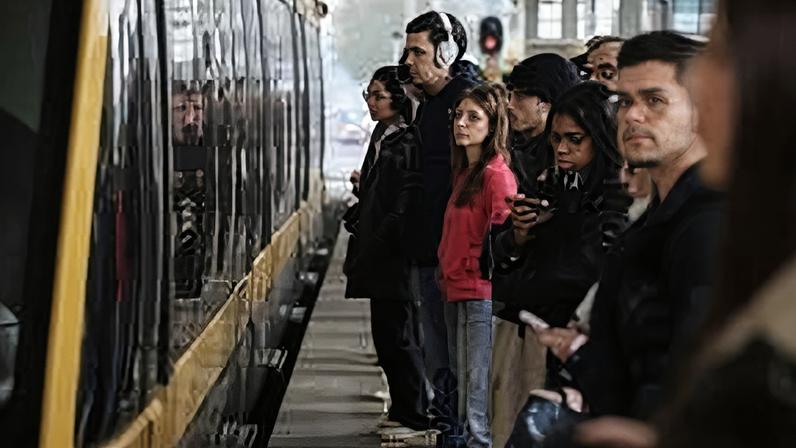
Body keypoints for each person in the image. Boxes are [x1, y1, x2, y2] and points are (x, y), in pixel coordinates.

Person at [532, 30, 724, 424]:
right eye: (624, 101)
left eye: (654, 100)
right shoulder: (657, 217)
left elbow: (705, 384)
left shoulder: (710, 224)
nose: (632, 115)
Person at [494, 81, 625, 364]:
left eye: (574, 139)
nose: (562, 149)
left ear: (600, 137)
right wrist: (519, 234)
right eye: (555, 139)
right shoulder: (550, 183)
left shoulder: (619, 193)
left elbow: (598, 267)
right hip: (535, 333)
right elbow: (499, 258)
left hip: (586, 340)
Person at [490, 53, 581, 447]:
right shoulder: (520, 155)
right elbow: (500, 240)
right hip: (520, 308)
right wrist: (518, 236)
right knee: (506, 408)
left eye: (517, 96)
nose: (509, 105)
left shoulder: (576, 171)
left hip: (551, 323)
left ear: (544, 102)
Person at [401, 10, 479, 443]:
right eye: (407, 50)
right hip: (426, 249)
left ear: (446, 52)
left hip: (448, 258)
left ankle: (455, 432)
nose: (408, 60)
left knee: (449, 355)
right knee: (435, 352)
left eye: (418, 51)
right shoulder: (430, 106)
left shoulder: (464, 107)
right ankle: (448, 425)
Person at [342, 66, 428, 436]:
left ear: (398, 99)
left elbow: (403, 205)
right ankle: (402, 406)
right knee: (386, 335)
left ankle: (415, 414)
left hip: (393, 256)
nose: (371, 103)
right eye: (369, 95)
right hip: (379, 251)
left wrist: (376, 241)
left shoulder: (407, 141)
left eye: (378, 95)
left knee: (399, 335)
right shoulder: (383, 134)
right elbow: (383, 193)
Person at [437, 83, 517, 448]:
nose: (461, 124)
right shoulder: (464, 175)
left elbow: (503, 237)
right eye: (458, 115)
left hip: (480, 293)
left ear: (493, 123)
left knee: (477, 387)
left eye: (473, 117)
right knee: (466, 382)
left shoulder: (495, 176)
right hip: (457, 288)